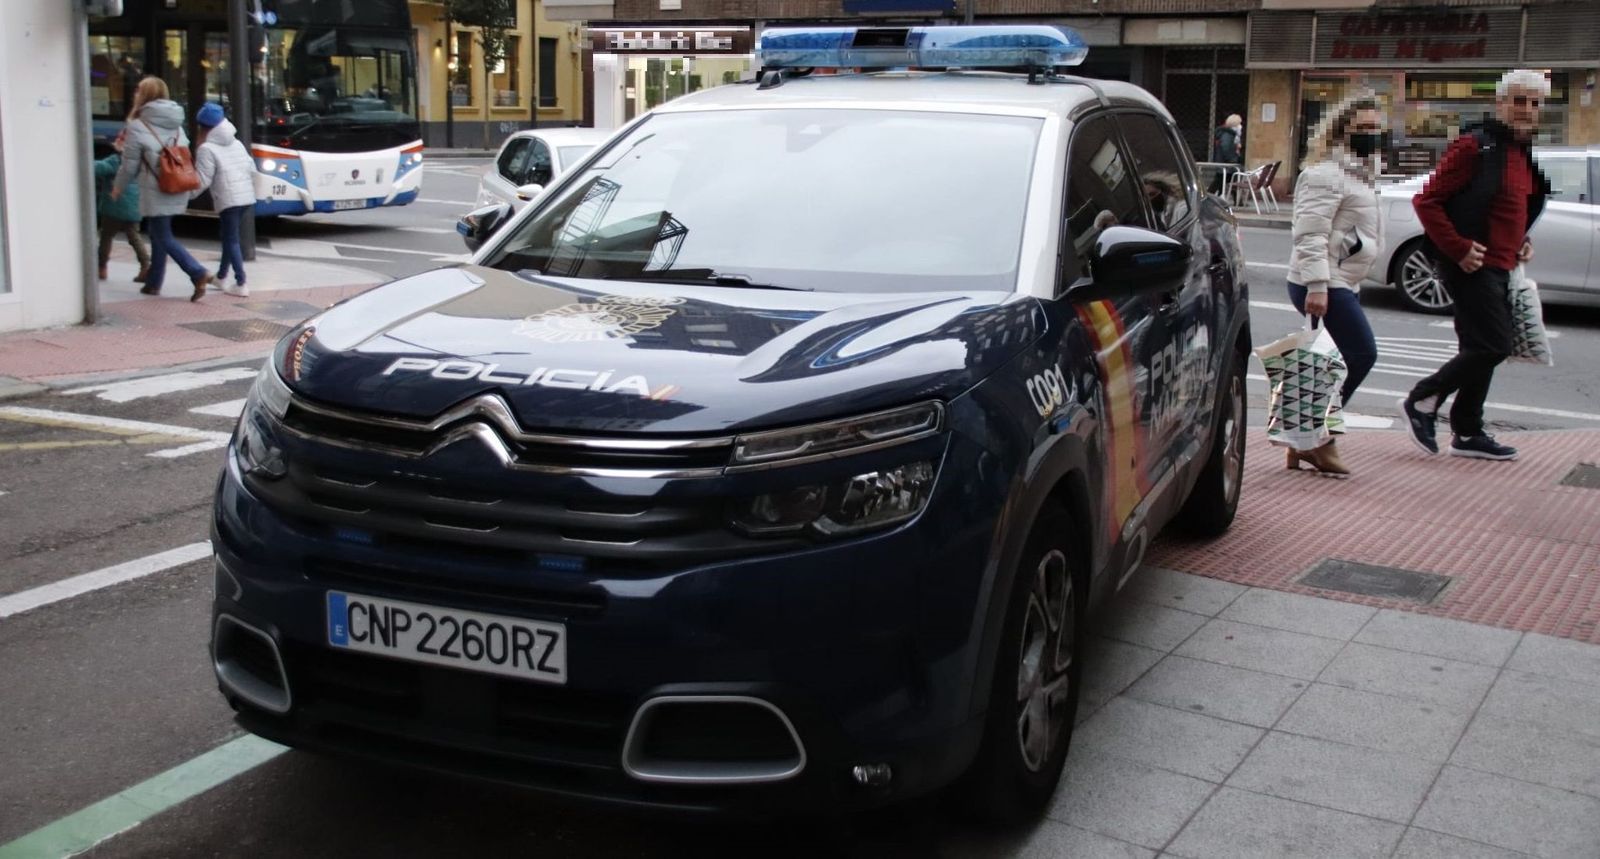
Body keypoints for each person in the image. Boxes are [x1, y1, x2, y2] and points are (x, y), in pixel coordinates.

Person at [1399, 69, 1552, 462]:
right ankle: (1422, 398)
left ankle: (1467, 431)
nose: (1527, 110)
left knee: (1478, 346)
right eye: (1519, 101)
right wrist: (1459, 248)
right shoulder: (1475, 146)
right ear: (1500, 103)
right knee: (1493, 345)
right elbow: (1426, 201)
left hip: (1502, 265)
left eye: (1534, 103)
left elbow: (1510, 209)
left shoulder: (1520, 152)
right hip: (1470, 265)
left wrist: (1521, 241)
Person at [1283, 92, 1386, 478]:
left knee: (1332, 363)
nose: (1371, 136)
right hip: (1323, 280)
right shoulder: (1325, 174)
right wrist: (1317, 285)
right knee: (1361, 354)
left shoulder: (1361, 173)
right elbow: (1309, 234)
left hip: (1341, 280)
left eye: (1376, 129)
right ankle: (1314, 436)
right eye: (1362, 129)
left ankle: (1302, 440)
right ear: (1340, 132)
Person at [112, 76, 214, 301]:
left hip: (155, 187)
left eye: (138, 90)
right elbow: (184, 148)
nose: (134, 94)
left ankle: (197, 272)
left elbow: (129, 165)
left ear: (145, 95)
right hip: (178, 182)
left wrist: (118, 187)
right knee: (158, 232)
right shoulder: (176, 122)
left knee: (162, 235)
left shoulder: (138, 126)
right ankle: (153, 283)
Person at [193, 102, 257, 297]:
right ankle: (221, 276)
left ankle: (241, 282)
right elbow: (251, 168)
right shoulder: (236, 143)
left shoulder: (207, 149)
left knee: (231, 239)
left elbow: (202, 180)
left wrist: (185, 196)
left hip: (228, 199)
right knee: (229, 236)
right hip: (246, 196)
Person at [92, 130, 151, 283]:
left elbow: (99, 168)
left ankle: (101, 267)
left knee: (106, 236)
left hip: (114, 205)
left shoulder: (116, 160)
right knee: (134, 237)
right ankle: (145, 265)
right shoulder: (142, 162)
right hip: (134, 206)